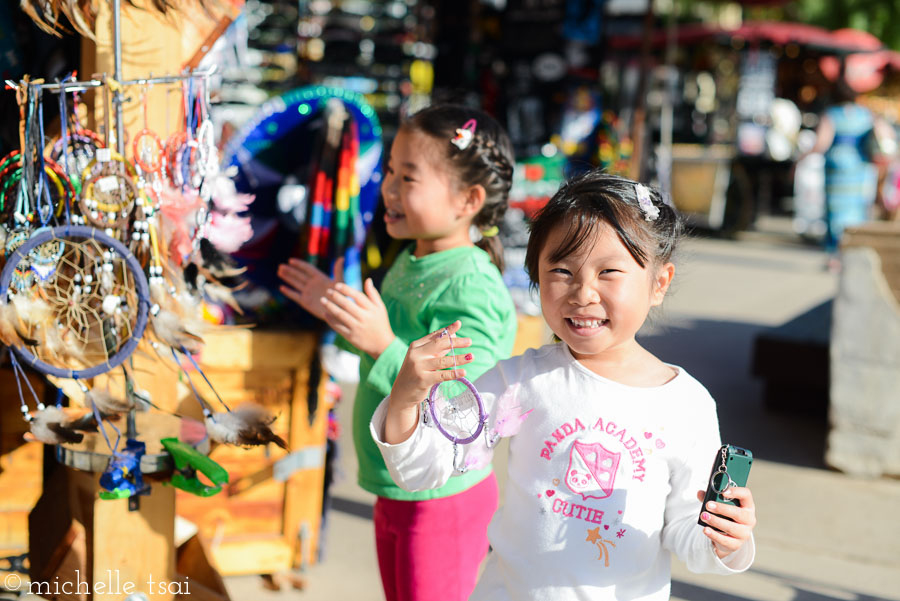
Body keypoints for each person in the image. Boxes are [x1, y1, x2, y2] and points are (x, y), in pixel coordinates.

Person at [373, 171, 757, 601]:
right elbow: (424, 469)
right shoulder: (519, 381)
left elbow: (689, 533)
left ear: (659, 283)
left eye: (609, 272)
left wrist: (724, 538)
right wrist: (407, 399)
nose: (583, 292)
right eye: (561, 270)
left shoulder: (686, 404)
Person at [277, 104, 518, 601]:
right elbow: (382, 350)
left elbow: (461, 402)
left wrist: (381, 342)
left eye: (407, 177)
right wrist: (342, 316)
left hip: (441, 495)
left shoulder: (472, 283)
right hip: (398, 484)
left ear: (468, 200)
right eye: (389, 170)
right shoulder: (413, 258)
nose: (387, 187)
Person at [803, 76, 894, 266]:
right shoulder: (866, 114)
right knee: (857, 210)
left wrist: (801, 158)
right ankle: (852, 253)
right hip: (859, 167)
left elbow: (821, 143)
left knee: (835, 212)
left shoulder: (832, 114)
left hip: (836, 168)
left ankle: (835, 255)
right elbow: (887, 136)